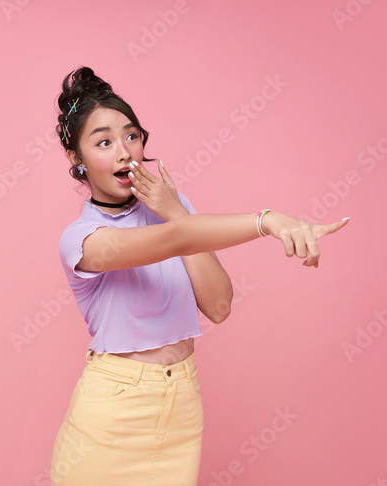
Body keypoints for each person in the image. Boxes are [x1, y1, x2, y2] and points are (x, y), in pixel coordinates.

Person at [48, 66, 349, 485]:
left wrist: (177, 210)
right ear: (76, 159)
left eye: (131, 136)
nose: (124, 152)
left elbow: (219, 305)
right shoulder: (81, 240)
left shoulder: (178, 212)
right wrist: (267, 220)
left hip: (182, 403)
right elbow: (174, 240)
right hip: (112, 411)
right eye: (103, 142)